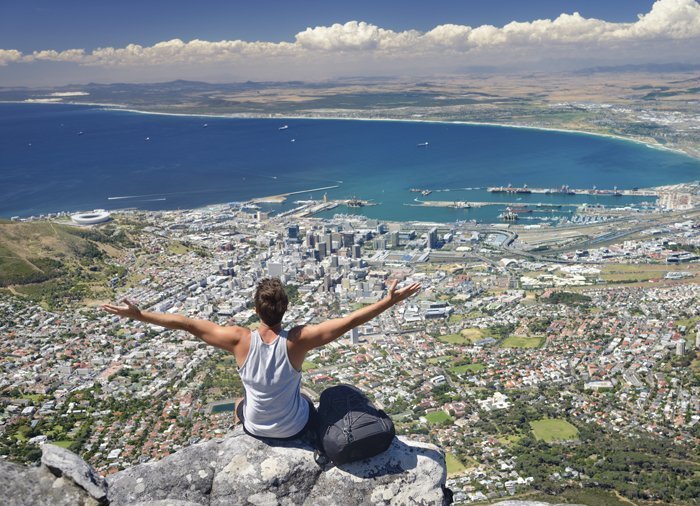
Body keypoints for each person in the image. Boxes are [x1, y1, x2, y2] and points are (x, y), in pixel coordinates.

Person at [102, 277, 421, 440]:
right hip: (295, 428)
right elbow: (350, 321)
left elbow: (185, 323)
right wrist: (388, 302)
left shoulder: (238, 339)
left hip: (254, 427)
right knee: (310, 402)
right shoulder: (298, 340)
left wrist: (139, 314)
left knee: (242, 400)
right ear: (285, 309)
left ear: (256, 309)